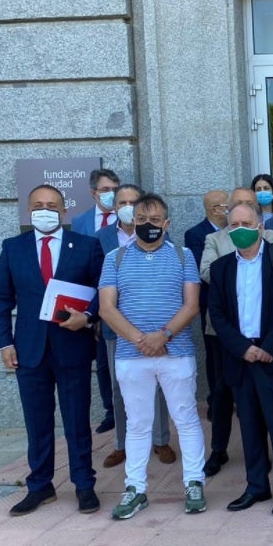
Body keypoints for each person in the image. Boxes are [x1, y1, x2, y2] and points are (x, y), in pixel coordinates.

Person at [0, 184, 104, 516]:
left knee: (76, 420)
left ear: (64, 210)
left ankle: (84, 485)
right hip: (28, 351)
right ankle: (40, 486)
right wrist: (5, 342)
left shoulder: (86, 246)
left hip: (73, 347)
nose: (45, 209)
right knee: (37, 423)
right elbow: (2, 300)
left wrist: (87, 317)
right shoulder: (13, 248)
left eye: (52, 204)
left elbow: (103, 291)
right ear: (29, 211)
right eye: (38, 204)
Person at [98, 193, 208, 519]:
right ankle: (135, 489)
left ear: (167, 223)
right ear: (133, 222)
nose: (148, 226)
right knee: (138, 424)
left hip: (176, 353)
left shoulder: (183, 255)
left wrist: (164, 336)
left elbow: (192, 305)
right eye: (142, 220)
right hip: (132, 357)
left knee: (186, 419)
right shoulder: (114, 258)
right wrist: (140, 340)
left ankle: (194, 483)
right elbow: (106, 308)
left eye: (155, 220)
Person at [209, 203, 273, 515]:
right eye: (233, 224)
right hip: (240, 358)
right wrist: (242, 348)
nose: (240, 229)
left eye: (246, 223)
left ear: (260, 225)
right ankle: (256, 486)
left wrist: (269, 346)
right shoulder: (222, 268)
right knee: (249, 427)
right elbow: (218, 315)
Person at [198, 189, 273, 476]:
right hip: (224, 333)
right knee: (222, 391)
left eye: (248, 205)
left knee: (265, 398)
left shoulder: (270, 237)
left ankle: (266, 455)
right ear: (227, 211)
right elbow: (207, 271)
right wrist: (235, 263)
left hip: (263, 335)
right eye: (237, 205)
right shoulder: (214, 239)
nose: (242, 210)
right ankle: (218, 449)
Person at [96, 184, 174, 469]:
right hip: (117, 329)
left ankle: (161, 440)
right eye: (122, 202)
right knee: (119, 389)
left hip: (157, 330)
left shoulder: (161, 235)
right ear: (114, 206)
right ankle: (121, 444)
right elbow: (98, 284)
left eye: (133, 201)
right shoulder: (102, 238)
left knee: (158, 387)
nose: (128, 207)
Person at [71, 167, 119, 434]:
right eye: (105, 190)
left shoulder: (126, 218)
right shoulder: (81, 222)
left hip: (117, 298)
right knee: (101, 362)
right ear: (93, 192)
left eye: (115, 189)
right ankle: (110, 411)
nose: (111, 194)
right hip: (90, 298)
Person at [184, 190, 229, 422]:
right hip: (211, 304)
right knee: (214, 356)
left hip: (238, 306)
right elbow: (206, 271)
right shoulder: (195, 235)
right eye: (225, 205)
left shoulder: (235, 231)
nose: (228, 208)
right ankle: (216, 401)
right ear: (214, 209)